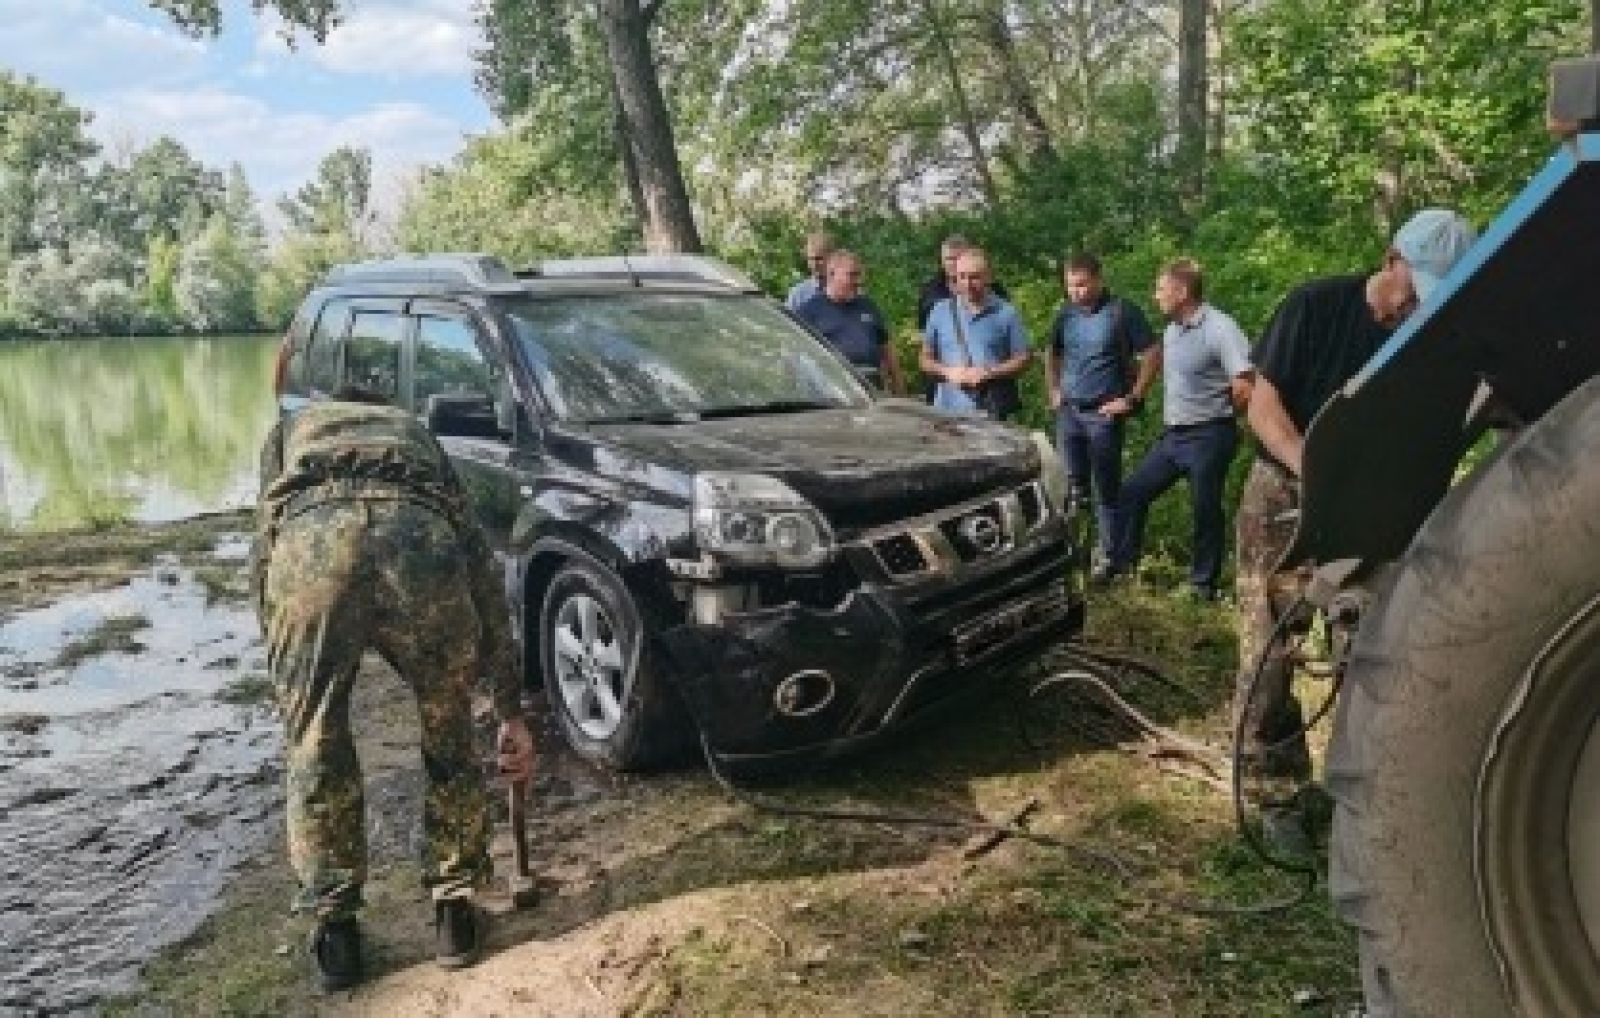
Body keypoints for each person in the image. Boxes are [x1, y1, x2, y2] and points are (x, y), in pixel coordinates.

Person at [254, 393, 536, 990]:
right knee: (447, 724)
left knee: (316, 740)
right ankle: (454, 910)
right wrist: (511, 707)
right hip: (418, 538)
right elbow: (481, 569)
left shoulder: (289, 432)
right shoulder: (414, 432)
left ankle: (337, 935)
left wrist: (285, 670)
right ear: (384, 408)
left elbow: (265, 543)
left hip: (313, 545)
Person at [1236, 208, 1477, 840]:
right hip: (1284, 496)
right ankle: (1275, 792)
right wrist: (1310, 467)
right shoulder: (1315, 307)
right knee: (1270, 643)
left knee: (1370, 641)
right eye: (1413, 289)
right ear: (1391, 259)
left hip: (1370, 505)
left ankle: (1353, 789)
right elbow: (1262, 407)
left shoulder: (1431, 339)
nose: (1414, 307)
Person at [1106, 259, 1253, 600]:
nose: (1155, 295)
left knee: (1204, 508)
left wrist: (1225, 416)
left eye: (1161, 289)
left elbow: (1245, 381)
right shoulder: (1172, 329)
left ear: (1182, 292)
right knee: (1132, 493)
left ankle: (1203, 585)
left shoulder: (1220, 328)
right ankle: (1122, 568)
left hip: (1210, 434)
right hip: (1174, 436)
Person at [1044, 253, 1157, 574]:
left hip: (1104, 414)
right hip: (1070, 413)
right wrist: (1054, 390)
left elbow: (1152, 354)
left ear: (1098, 279)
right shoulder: (1065, 315)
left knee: (1107, 489)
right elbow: (1052, 353)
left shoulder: (1121, 312)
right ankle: (1074, 554)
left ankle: (1111, 559)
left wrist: (1132, 398)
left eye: (1081, 284)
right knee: (1069, 488)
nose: (1076, 292)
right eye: (1070, 286)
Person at [919, 247, 1032, 421]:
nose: (967, 283)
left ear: (988, 277)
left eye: (974, 277)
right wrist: (949, 372)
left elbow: (1023, 359)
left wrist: (989, 372)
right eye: (962, 276)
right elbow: (924, 359)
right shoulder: (939, 311)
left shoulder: (1006, 313)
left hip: (991, 412)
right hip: (947, 412)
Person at [794, 249, 905, 394]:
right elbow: (796, 357)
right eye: (852, 275)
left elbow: (887, 350)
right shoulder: (809, 311)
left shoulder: (868, 306)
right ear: (832, 274)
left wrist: (899, 389)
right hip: (831, 393)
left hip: (871, 390)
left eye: (859, 275)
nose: (858, 281)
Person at [916, 235, 1010, 402]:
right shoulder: (930, 293)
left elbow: (1013, 347)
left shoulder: (997, 293)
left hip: (990, 390)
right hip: (945, 385)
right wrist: (949, 371)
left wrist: (990, 370)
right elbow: (926, 344)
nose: (952, 263)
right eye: (948, 259)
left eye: (957, 258)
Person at [785, 231, 834, 310]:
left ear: (832, 258)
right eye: (811, 259)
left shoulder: (845, 293)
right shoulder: (798, 294)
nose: (815, 264)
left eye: (819, 259)